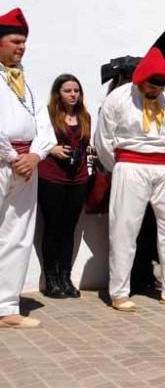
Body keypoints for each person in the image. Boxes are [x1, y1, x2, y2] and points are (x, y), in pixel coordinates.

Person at [95, 47, 165, 311]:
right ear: (139, 80)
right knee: (125, 228)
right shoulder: (118, 99)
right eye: (151, 86)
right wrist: (119, 167)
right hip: (131, 164)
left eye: (160, 86)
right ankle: (119, 291)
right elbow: (103, 140)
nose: (155, 91)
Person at [0, 8, 55, 328]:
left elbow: (44, 125)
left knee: (18, 235)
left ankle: (7, 305)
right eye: (15, 41)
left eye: (24, 42)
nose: (21, 47)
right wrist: (10, 156)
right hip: (5, 160)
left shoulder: (26, 83)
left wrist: (35, 156)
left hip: (26, 166)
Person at [37, 74, 92, 298]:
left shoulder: (84, 116)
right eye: (68, 91)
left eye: (76, 90)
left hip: (77, 178)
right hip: (52, 176)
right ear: (58, 93)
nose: (73, 95)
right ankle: (51, 279)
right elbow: (37, 138)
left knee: (70, 228)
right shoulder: (48, 115)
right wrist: (52, 149)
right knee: (53, 228)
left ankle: (65, 277)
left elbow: (85, 142)